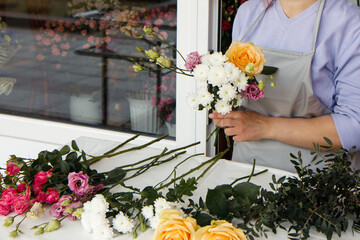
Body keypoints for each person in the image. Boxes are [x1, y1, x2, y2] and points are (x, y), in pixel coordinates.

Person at [209, 0, 360, 172]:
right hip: (245, 175)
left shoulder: (349, 22)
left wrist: (264, 126)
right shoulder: (249, 13)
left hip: (316, 186)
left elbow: (354, 127)